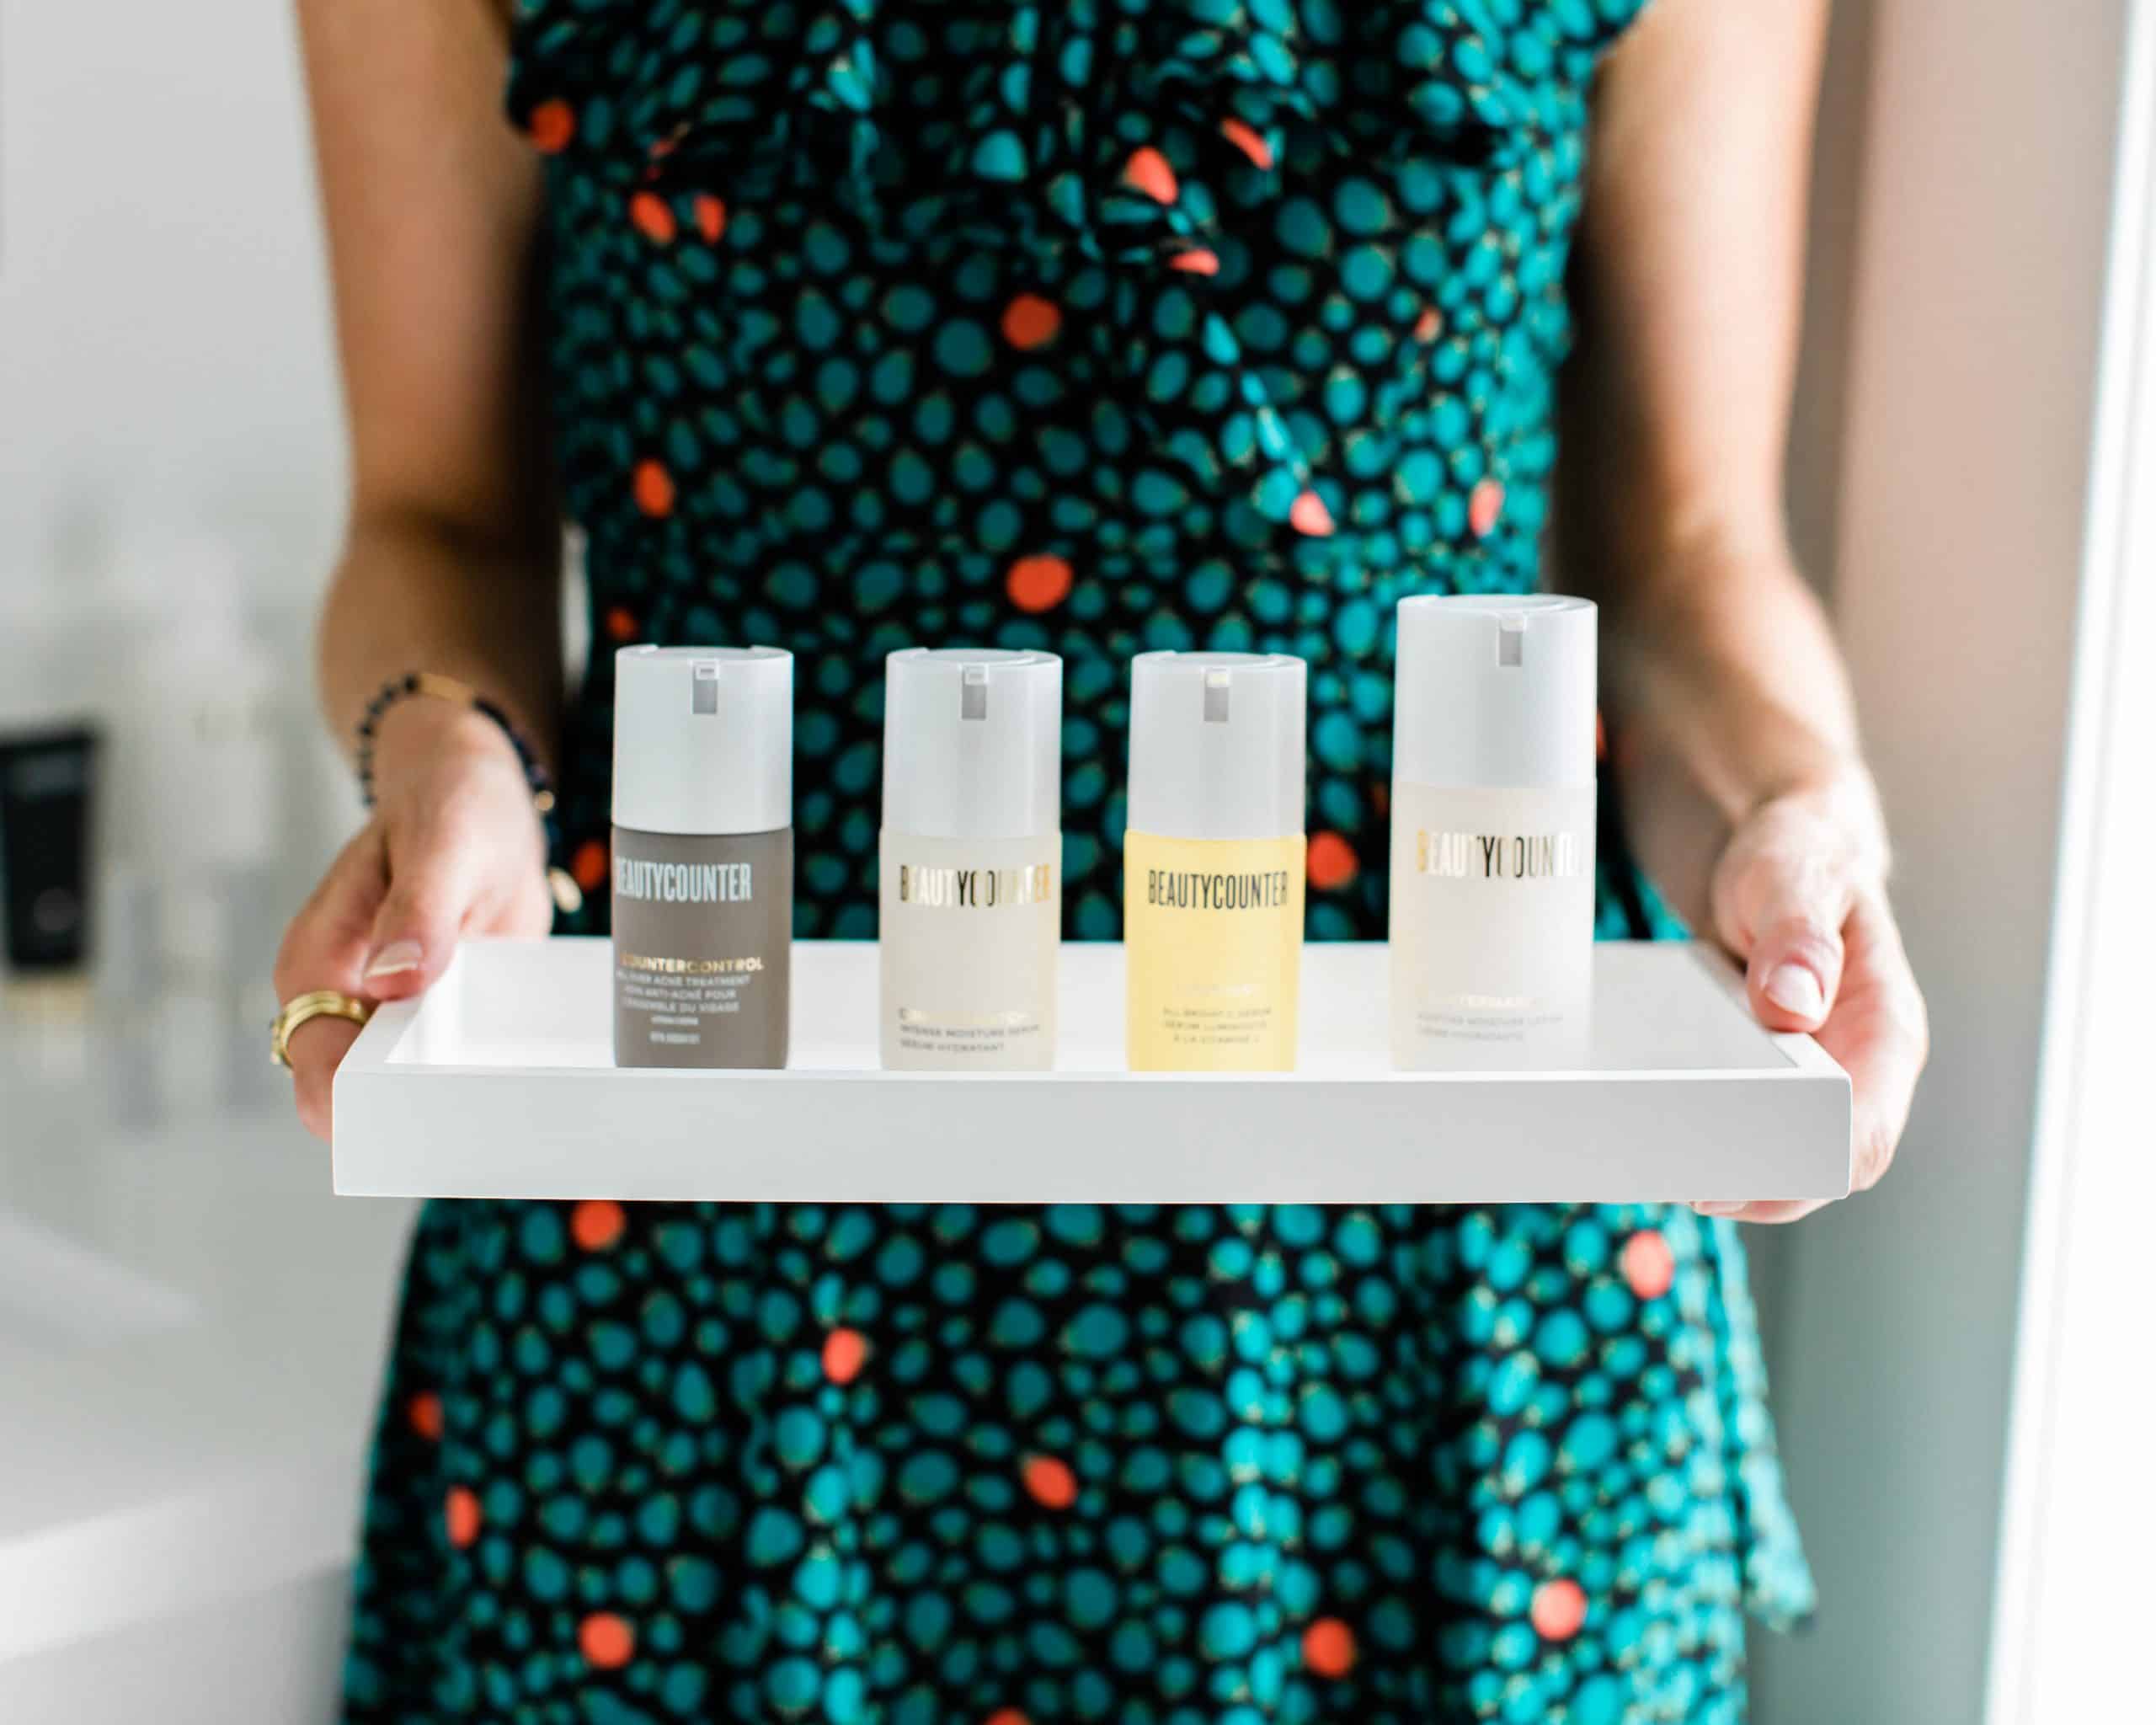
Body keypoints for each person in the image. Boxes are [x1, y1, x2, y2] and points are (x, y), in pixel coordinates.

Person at [275, 0, 1929, 1717]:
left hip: (1429, 1228)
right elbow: (435, 520)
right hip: (713, 1175)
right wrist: (441, 749)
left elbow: (1685, 554)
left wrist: (1795, 811)